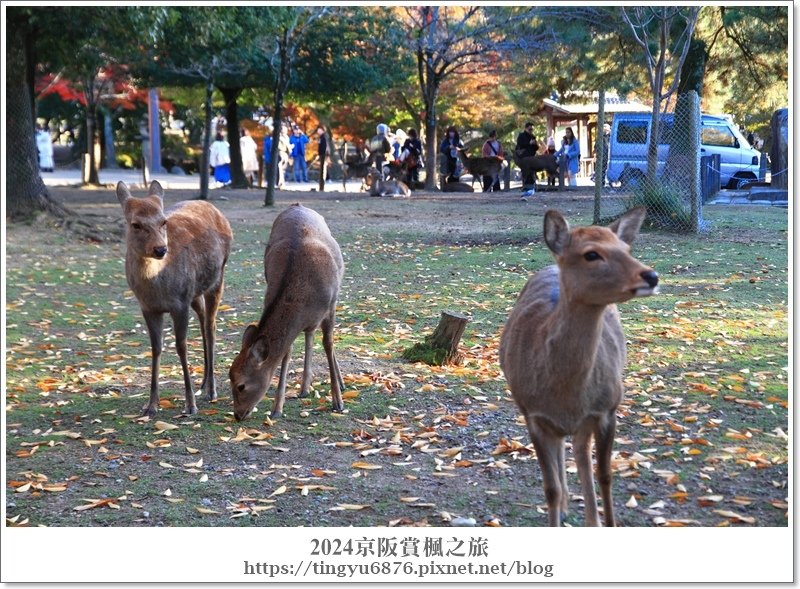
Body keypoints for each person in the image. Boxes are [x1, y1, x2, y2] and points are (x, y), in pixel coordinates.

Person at [515, 121, 539, 186]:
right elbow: (520, 145)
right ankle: (525, 184)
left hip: (531, 156)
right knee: (526, 171)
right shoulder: (521, 136)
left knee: (532, 171)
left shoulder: (533, 136)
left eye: (532, 129)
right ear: (526, 128)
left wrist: (535, 144)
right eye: (530, 129)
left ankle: (532, 184)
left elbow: (536, 148)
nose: (531, 131)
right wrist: (529, 143)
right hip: (524, 156)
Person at [277, 125, 292, 189]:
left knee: (283, 169)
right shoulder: (280, 138)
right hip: (281, 153)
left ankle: (282, 182)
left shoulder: (286, 137)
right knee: (280, 169)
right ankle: (280, 182)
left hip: (285, 154)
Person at [316, 125, 328, 192]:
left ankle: (322, 186)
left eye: (319, 129)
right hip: (321, 155)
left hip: (323, 155)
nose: (318, 131)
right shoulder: (321, 137)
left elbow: (324, 147)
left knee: (323, 170)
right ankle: (321, 186)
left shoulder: (324, 137)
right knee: (321, 170)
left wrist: (321, 154)